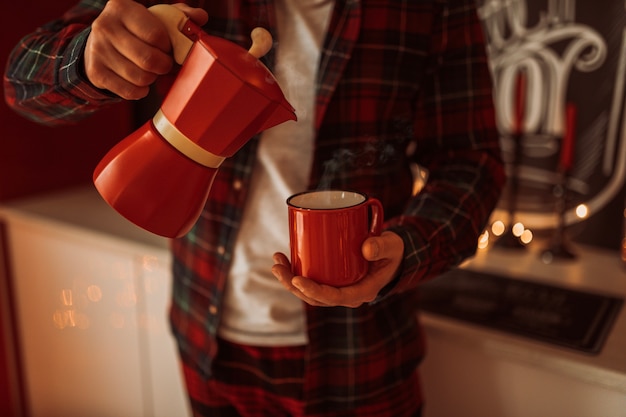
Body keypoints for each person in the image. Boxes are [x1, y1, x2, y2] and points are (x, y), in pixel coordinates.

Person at [4, 0, 505, 416]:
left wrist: (405, 249)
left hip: (362, 354)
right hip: (208, 338)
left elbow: (471, 163)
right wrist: (89, 56)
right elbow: (21, 81)